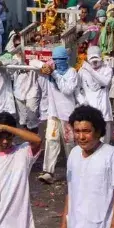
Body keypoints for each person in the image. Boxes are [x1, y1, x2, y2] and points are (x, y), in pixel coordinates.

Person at [62, 105, 114, 228]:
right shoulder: (74, 154)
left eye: (86, 131)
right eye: (77, 131)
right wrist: (64, 225)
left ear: (98, 131)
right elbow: (70, 191)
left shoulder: (111, 155)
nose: (81, 137)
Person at [38, 45, 80, 184]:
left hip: (67, 114)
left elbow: (67, 90)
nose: (58, 61)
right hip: (53, 113)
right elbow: (35, 63)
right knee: (51, 140)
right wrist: (46, 68)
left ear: (66, 59)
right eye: (55, 59)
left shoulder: (72, 72)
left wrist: (54, 74)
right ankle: (48, 171)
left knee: (69, 142)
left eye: (60, 59)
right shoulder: (51, 70)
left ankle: (74, 170)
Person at [79, 46, 114, 143]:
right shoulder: (82, 71)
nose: (94, 62)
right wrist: (83, 102)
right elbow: (77, 90)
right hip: (89, 111)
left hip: (104, 110)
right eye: (92, 59)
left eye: (96, 59)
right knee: (90, 141)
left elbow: (105, 82)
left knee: (104, 142)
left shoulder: (107, 69)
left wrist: (91, 70)